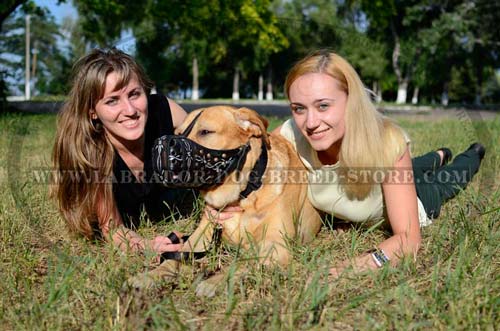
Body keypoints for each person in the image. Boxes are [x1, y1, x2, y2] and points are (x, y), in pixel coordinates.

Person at [275, 50, 486, 277]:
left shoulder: (387, 142)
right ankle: (439, 155)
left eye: (323, 106)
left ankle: (473, 153)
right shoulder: (292, 133)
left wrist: (355, 267)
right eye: (299, 108)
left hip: (420, 198)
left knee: (447, 180)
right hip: (391, 178)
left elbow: (408, 241)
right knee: (415, 166)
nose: (311, 122)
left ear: (351, 101)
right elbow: (251, 162)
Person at [52, 48, 226, 256]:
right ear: (93, 112)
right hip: (133, 213)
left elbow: (211, 156)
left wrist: (222, 199)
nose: (130, 110)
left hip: (176, 194)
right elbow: (114, 230)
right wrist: (148, 245)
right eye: (112, 101)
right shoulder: (91, 152)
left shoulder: (163, 110)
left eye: (134, 94)